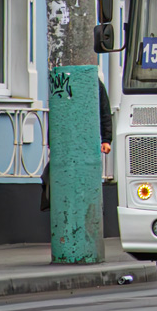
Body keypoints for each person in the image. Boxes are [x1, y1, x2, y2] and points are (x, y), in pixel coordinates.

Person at [40, 79, 112, 212]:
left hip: (86, 145)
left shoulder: (93, 83)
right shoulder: (64, 81)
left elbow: (104, 111)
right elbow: (57, 113)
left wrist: (106, 139)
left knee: (82, 185)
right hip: (66, 144)